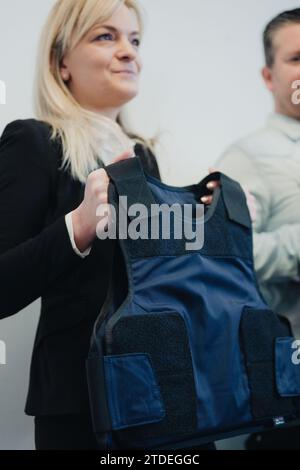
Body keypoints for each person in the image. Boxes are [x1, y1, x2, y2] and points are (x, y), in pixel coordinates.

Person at [0, 0, 218, 451]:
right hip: (83, 405)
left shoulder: (144, 157)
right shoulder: (34, 142)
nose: (129, 52)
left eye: (134, 40)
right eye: (106, 36)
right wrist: (75, 228)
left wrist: (209, 225)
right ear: (62, 63)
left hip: (164, 389)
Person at [215, 8, 300, 450]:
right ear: (269, 76)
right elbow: (221, 257)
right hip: (290, 393)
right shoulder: (246, 157)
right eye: (297, 58)